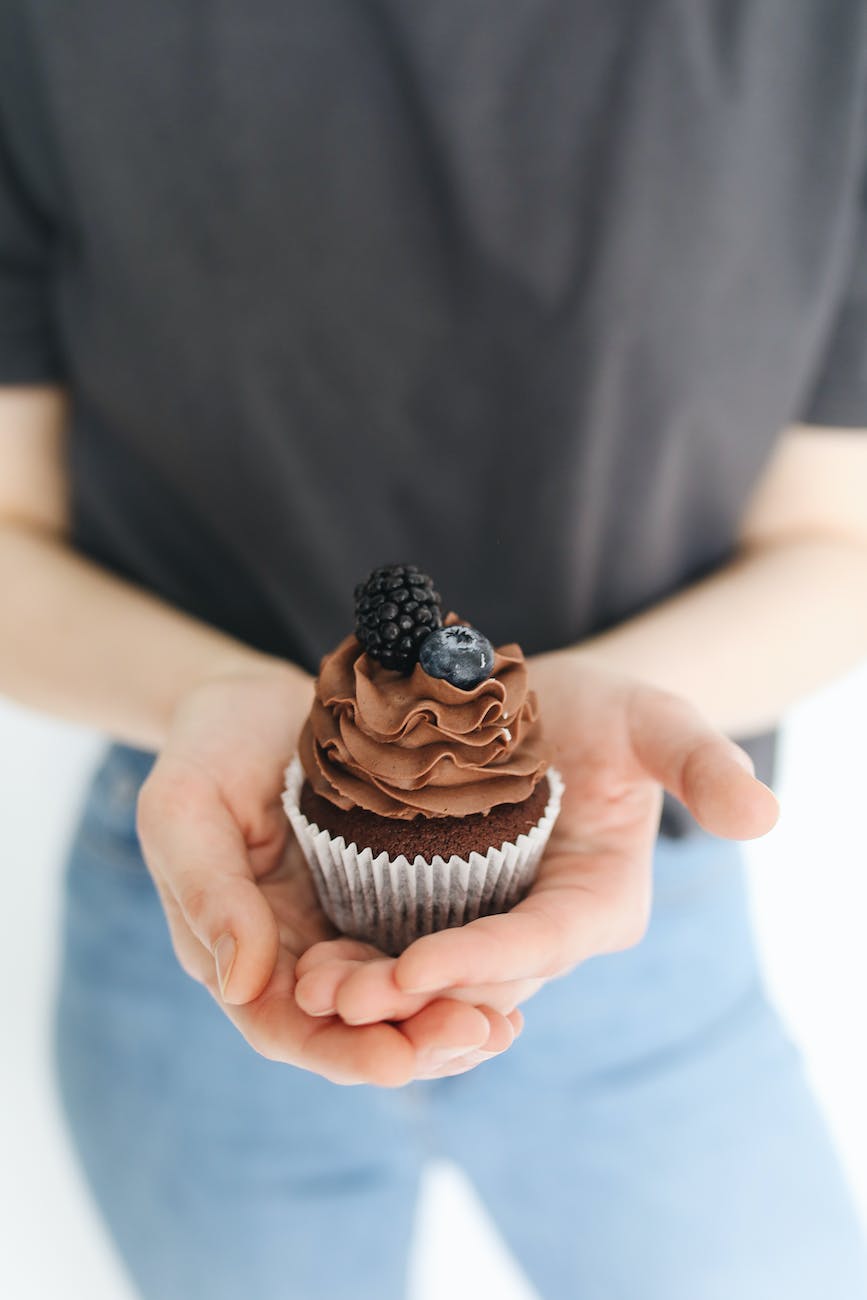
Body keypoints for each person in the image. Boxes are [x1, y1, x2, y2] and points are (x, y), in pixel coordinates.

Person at [2, 2, 867, 1296]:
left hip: (645, 907)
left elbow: (835, 535)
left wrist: (636, 707)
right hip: (198, 892)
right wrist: (208, 691)